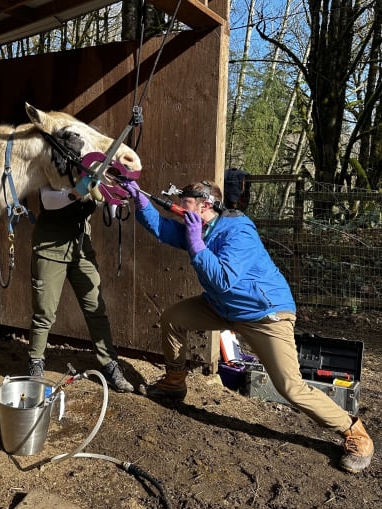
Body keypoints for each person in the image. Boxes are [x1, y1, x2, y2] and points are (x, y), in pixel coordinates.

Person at [122, 179, 374, 473]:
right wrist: (138, 199)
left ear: (205, 206)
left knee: (290, 387)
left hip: (265, 314)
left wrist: (195, 244)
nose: (177, 206)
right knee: (173, 318)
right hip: (222, 307)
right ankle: (175, 384)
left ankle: (354, 431)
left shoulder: (238, 232)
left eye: (184, 202)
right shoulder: (200, 226)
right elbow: (162, 229)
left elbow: (223, 279)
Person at [26, 180, 134, 393]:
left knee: (96, 309)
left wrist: (114, 197)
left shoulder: (94, 168)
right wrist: (81, 190)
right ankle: (35, 361)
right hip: (49, 250)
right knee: (44, 312)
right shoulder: (54, 165)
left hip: (81, 250)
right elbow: (48, 201)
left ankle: (109, 363)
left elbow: (108, 208)